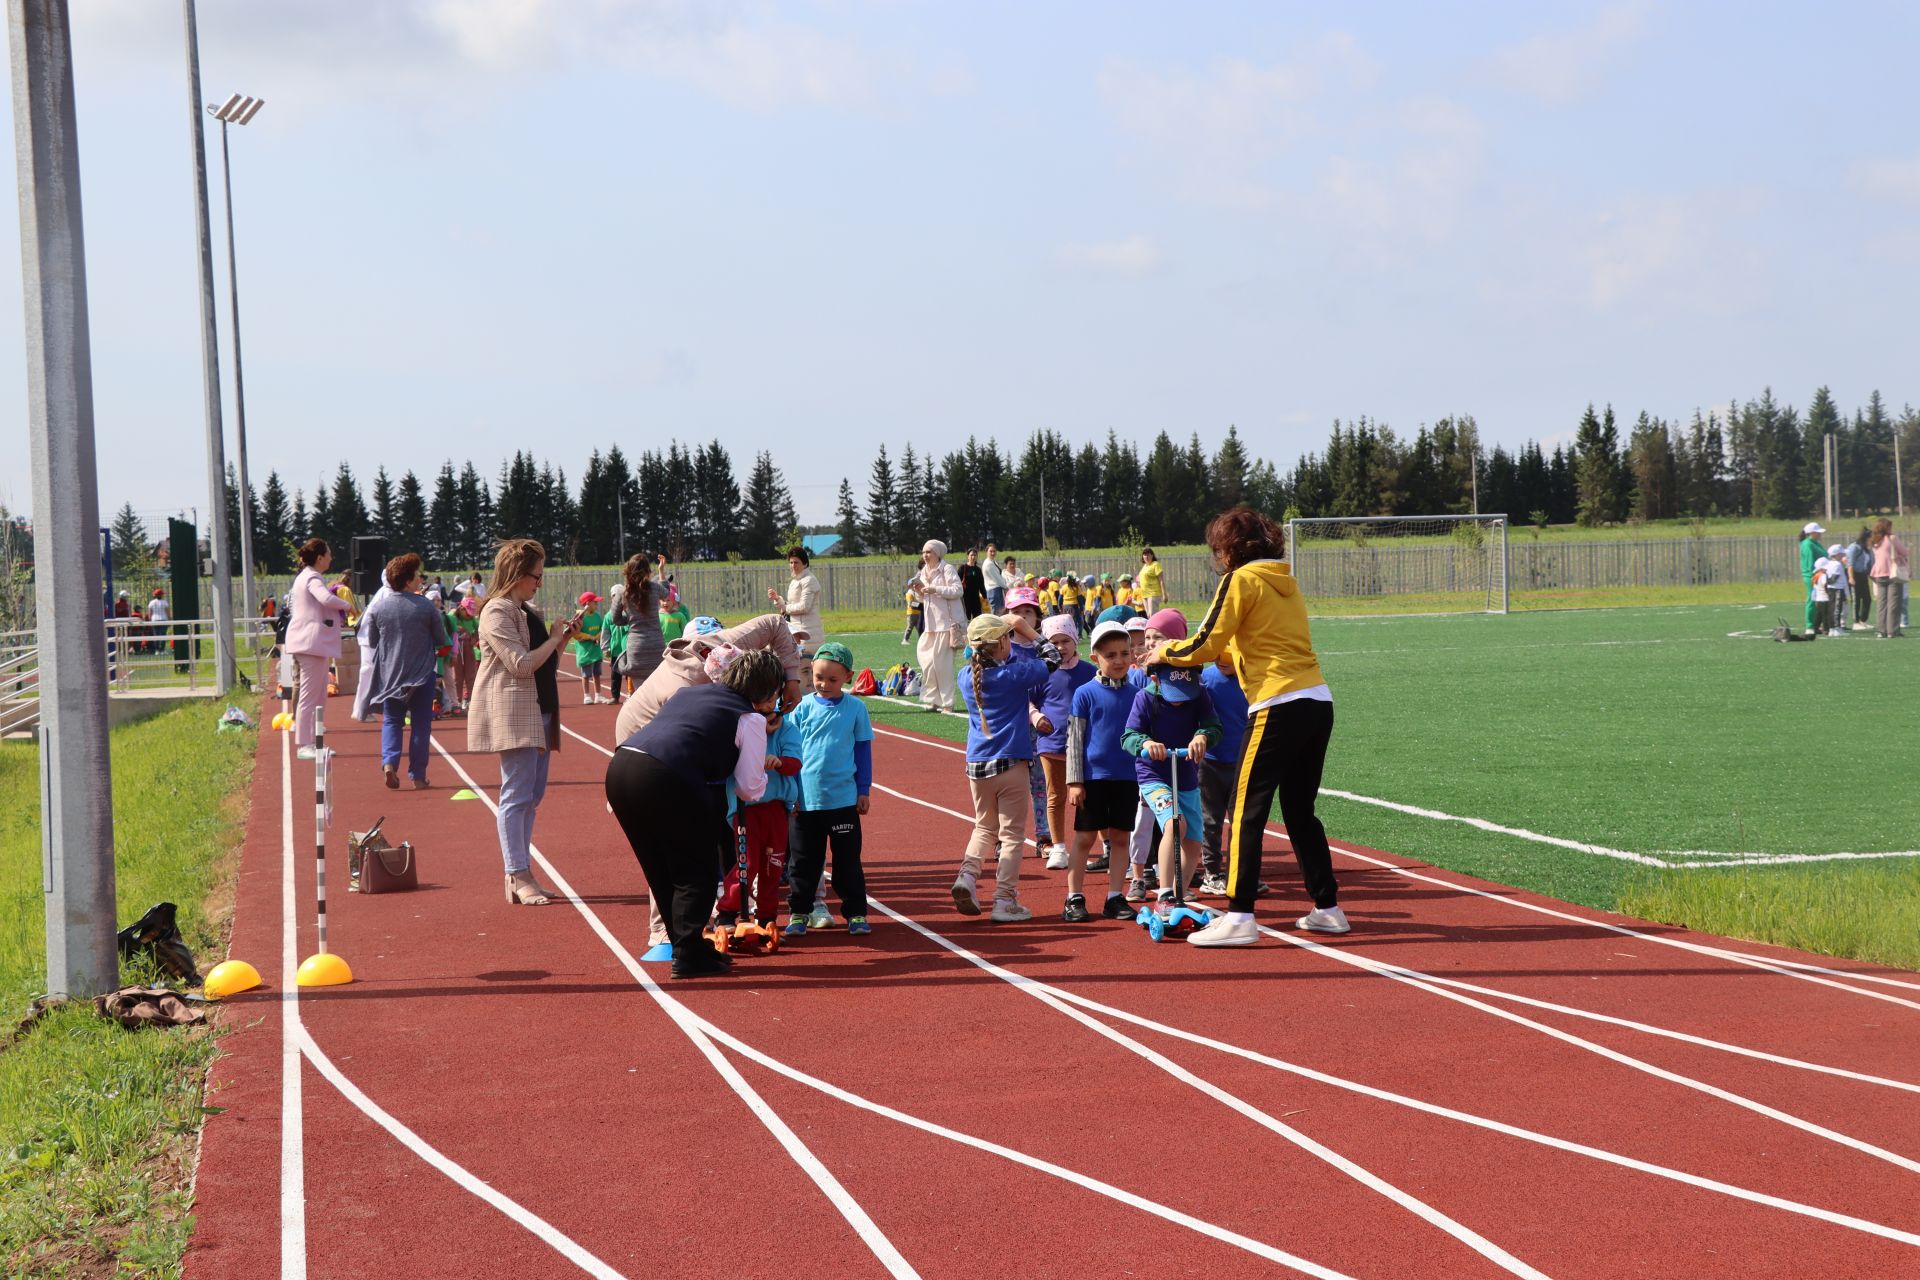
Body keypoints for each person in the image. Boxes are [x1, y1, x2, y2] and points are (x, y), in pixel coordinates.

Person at [1150, 506, 1344, 945]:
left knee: (1246, 810)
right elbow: (1240, 649)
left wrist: (1165, 653)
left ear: (1229, 550)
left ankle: (1239, 915)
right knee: (1299, 811)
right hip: (1316, 699)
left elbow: (1205, 640)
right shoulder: (1285, 584)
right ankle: (1327, 906)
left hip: (1276, 703)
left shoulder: (1239, 580)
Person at [606, 648, 787, 978]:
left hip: (621, 767)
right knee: (697, 868)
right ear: (768, 691)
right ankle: (688, 955)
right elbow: (749, 788)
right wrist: (758, 760)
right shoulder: (750, 718)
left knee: (660, 867)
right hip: (667, 776)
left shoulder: (690, 692)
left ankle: (686, 946)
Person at [467, 538, 579, 906]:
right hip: (514, 712)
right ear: (517, 574)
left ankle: (522, 871)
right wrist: (553, 640)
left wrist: (561, 641)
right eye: (536, 576)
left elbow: (543, 662)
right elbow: (520, 664)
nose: (538, 583)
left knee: (532, 797)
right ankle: (517, 872)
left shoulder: (525, 610)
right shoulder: (496, 612)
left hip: (540, 709)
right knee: (516, 795)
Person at [952, 612, 1059, 922]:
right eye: (1008, 638)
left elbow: (978, 654)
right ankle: (1004, 900)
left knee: (984, 827)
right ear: (1001, 643)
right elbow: (1052, 657)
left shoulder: (966, 676)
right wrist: (1027, 629)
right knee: (1011, 835)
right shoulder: (1012, 676)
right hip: (1011, 762)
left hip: (977, 763)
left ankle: (968, 877)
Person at [783, 642, 875, 937]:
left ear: (848, 676)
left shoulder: (856, 709)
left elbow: (862, 752)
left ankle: (856, 914)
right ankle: (799, 912)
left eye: (832, 679)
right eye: (818, 677)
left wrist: (863, 790)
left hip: (843, 801)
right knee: (803, 864)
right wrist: (791, 792)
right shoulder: (802, 710)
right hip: (806, 802)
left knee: (848, 864)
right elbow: (791, 753)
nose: (823, 684)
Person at [1124, 649, 1222, 919]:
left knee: (1193, 840)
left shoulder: (1200, 695)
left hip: (1186, 774)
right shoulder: (1144, 699)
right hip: (1153, 774)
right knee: (1174, 822)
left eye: (1184, 691)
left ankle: (1180, 892)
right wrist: (1146, 743)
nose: (1180, 700)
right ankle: (1165, 894)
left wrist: (1203, 736)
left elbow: (1214, 726)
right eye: (1173, 692)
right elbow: (1129, 735)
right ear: (1156, 680)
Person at [1066, 620, 1148, 923]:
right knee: (1085, 838)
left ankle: (1115, 897)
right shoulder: (1084, 694)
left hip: (1127, 777)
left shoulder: (1138, 692)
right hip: (1093, 778)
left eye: (1124, 653)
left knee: (1120, 838)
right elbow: (1074, 739)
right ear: (1095, 659)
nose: (1118, 660)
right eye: (1110, 655)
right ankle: (1074, 897)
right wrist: (1075, 781)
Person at [358, 553, 448, 790]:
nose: (420, 577)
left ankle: (389, 763)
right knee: (421, 724)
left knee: (392, 721)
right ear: (408, 580)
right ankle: (418, 775)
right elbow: (441, 639)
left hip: (391, 675)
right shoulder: (426, 606)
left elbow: (373, 640)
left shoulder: (378, 608)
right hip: (421, 674)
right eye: (417, 574)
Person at [714, 704, 801, 939]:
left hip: (776, 808)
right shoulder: (739, 726)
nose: (765, 707)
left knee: (773, 866)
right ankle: (727, 912)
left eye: (770, 698)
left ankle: (766, 917)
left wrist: (778, 762)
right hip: (746, 808)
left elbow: (795, 764)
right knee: (748, 863)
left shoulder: (788, 730)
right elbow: (724, 762)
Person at [1033, 613, 1094, 871]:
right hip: (1052, 744)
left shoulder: (1090, 672)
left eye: (1065, 640)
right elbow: (1028, 700)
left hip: (1086, 746)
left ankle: (1105, 846)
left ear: (1075, 641)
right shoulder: (1041, 673)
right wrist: (1035, 716)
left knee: (1091, 797)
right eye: (1054, 642)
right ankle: (1058, 847)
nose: (1060, 647)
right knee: (1055, 796)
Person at [285, 540, 352, 760]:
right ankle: (305, 744)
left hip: (313, 642)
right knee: (310, 695)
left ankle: (315, 742)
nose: (331, 558)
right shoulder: (312, 577)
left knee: (319, 694)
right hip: (310, 642)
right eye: (329, 554)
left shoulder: (306, 576)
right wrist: (346, 604)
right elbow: (324, 598)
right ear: (320, 557)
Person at [1198, 654, 1255, 896]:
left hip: (1243, 763)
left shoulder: (1251, 679)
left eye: (1229, 652)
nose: (1223, 658)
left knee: (1242, 821)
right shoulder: (1205, 680)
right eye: (1218, 652)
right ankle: (1211, 872)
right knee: (1211, 820)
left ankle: (1239, 874)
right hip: (1210, 763)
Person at [911, 539, 965, 713]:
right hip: (930, 626)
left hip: (946, 625)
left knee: (943, 665)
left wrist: (935, 589)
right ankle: (932, 699)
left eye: (929, 552)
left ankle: (947, 703)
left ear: (938, 554)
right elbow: (923, 598)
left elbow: (958, 590)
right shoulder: (922, 572)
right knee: (927, 663)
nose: (925, 555)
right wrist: (919, 591)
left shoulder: (947, 569)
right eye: (924, 552)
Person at [613, 553, 669, 693]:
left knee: (640, 694)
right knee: (658, 692)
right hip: (656, 646)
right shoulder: (655, 588)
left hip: (636, 647)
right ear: (648, 571)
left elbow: (615, 619)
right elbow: (666, 593)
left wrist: (631, 620)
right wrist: (661, 571)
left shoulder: (623, 592)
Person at [769, 545, 824, 647]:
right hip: (796, 630)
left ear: (805, 563)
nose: (793, 565)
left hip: (808, 633)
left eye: (796, 562)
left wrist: (785, 607)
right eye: (791, 562)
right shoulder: (795, 580)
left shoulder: (809, 580)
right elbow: (791, 606)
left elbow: (804, 607)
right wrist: (777, 599)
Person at [1870, 517, 1910, 639]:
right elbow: (1904, 552)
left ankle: (1881, 630)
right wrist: (1909, 547)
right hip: (1892, 573)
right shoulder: (1892, 538)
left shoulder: (1875, 541)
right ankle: (1892, 630)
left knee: (1882, 603)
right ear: (1887, 527)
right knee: (1894, 602)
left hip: (1879, 573)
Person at [573, 591, 608, 703]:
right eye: (595, 603)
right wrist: (589, 637)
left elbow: (602, 628)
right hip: (586, 652)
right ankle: (586, 695)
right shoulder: (580, 618)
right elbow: (576, 634)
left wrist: (598, 636)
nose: (597, 605)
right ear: (588, 604)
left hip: (596, 651)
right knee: (586, 674)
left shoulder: (597, 616)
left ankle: (598, 695)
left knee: (597, 674)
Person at [450, 597, 481, 713]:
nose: (469, 615)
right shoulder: (453, 616)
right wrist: (460, 629)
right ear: (461, 608)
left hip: (468, 647)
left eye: (471, 613)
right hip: (456, 648)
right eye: (467, 612)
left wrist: (474, 637)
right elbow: (449, 626)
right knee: (458, 677)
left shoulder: (472, 619)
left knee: (470, 675)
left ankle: (471, 700)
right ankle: (457, 701)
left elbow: (479, 629)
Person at [1799, 522, 1827, 636]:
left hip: (1819, 575)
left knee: (1819, 599)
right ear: (1812, 533)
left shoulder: (1815, 543)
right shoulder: (1807, 544)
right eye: (1818, 532)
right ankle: (1809, 626)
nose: (1820, 534)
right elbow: (1809, 562)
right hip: (1812, 576)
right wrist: (1813, 576)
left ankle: (1816, 624)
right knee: (1812, 599)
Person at [1846, 527, 1875, 630]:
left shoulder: (1866, 549)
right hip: (1854, 575)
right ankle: (1856, 622)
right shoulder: (1855, 547)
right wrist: (1851, 577)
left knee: (1867, 598)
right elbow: (1850, 564)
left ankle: (1863, 620)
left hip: (1863, 575)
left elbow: (1869, 565)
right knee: (1856, 599)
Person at [959, 547, 986, 620]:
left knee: (978, 617)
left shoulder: (978, 570)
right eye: (971, 555)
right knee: (965, 617)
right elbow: (957, 582)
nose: (973, 557)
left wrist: (985, 596)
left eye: (975, 555)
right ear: (968, 556)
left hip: (976, 597)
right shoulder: (963, 568)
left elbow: (981, 584)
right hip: (965, 597)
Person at [1137, 547, 1165, 615]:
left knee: (1153, 614)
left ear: (1152, 555)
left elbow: (1161, 580)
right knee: (1148, 615)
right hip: (1144, 594)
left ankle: (1157, 626)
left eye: (1148, 554)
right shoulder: (1144, 566)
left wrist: (1164, 594)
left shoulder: (1155, 564)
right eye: (1144, 555)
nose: (1146, 556)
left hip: (1153, 593)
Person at [982, 543, 1007, 613]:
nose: (993, 553)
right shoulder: (988, 564)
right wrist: (1006, 587)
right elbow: (997, 579)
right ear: (986, 552)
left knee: (1000, 613)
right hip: (994, 591)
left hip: (996, 590)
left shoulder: (993, 561)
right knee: (997, 614)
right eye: (991, 551)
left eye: (994, 551)